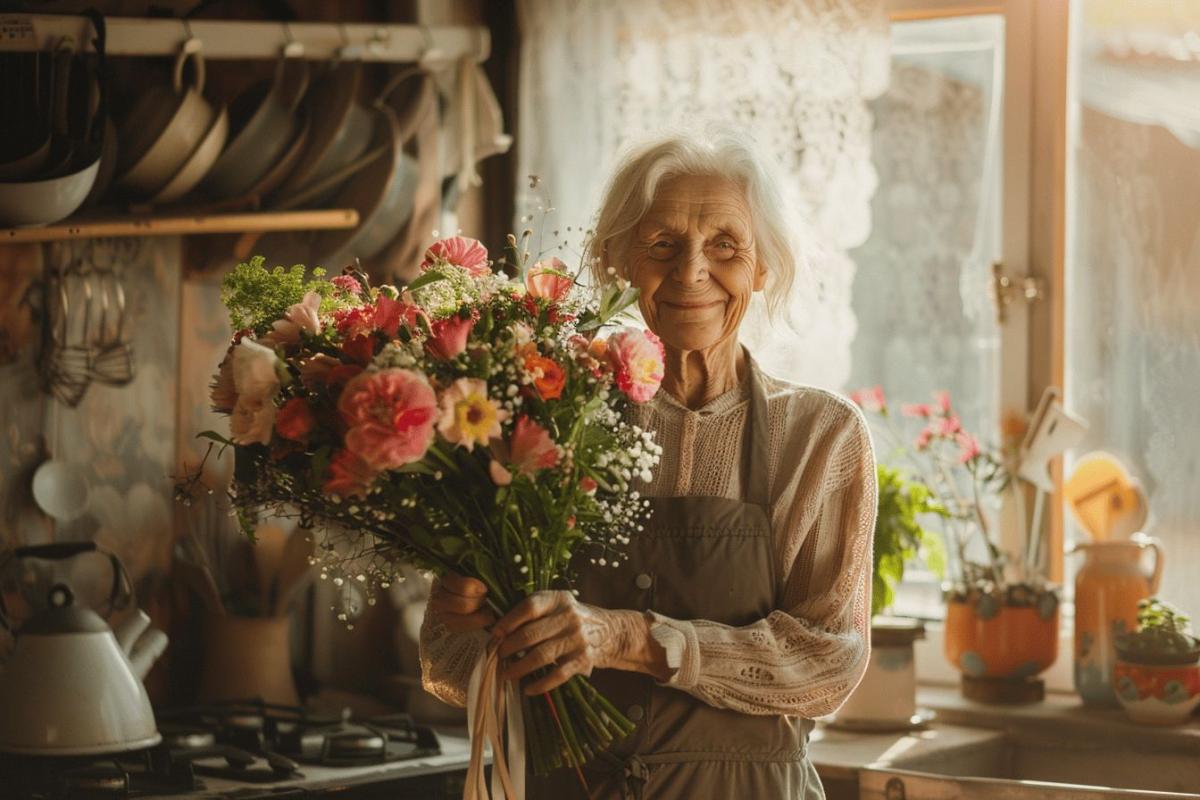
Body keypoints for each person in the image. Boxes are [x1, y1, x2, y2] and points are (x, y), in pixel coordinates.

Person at [420, 130, 878, 799]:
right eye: (662, 244)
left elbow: (828, 664)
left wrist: (630, 639)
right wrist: (461, 621)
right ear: (617, 264)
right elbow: (450, 668)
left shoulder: (819, 436)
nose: (692, 270)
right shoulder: (548, 419)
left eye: (725, 244)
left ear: (763, 268)